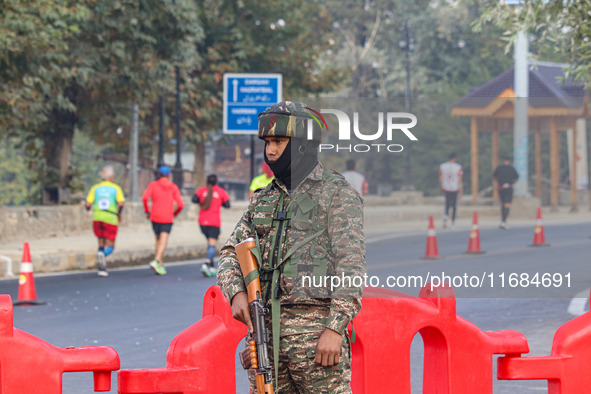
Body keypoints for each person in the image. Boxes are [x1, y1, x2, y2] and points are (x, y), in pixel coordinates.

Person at [217, 101, 366, 393]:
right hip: (265, 339)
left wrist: (335, 329)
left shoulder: (336, 194)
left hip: (317, 341)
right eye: (267, 142)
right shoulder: (263, 199)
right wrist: (235, 292)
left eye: (278, 141)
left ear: (302, 144)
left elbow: (352, 266)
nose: (270, 151)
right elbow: (230, 252)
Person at [142, 165, 185, 275]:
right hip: (167, 216)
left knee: (157, 239)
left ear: (158, 175)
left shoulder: (153, 185)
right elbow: (181, 204)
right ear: (169, 175)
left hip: (154, 216)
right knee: (163, 240)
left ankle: (160, 263)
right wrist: (175, 213)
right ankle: (156, 260)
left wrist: (147, 211)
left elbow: (145, 198)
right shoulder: (173, 187)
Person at [85, 166, 125, 277]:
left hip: (97, 218)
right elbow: (121, 203)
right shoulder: (116, 188)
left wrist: (88, 209)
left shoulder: (95, 188)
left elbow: (87, 204)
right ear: (111, 177)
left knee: (100, 241)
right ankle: (103, 255)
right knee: (110, 245)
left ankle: (101, 267)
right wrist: (119, 212)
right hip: (110, 218)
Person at [192, 174, 230, 277]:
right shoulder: (221, 192)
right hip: (214, 222)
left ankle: (212, 267)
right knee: (212, 245)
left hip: (202, 222)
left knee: (210, 244)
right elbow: (227, 205)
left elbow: (194, 199)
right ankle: (206, 263)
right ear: (216, 182)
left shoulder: (202, 191)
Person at [493, 156, 519, 229]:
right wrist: (512, 183)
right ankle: (504, 221)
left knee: (503, 204)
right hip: (509, 188)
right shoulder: (512, 169)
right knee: (507, 204)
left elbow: (494, 177)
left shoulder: (499, 168)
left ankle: (502, 221)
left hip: (501, 187)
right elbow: (517, 178)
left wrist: (499, 183)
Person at [439, 153, 463, 229]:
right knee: (454, 206)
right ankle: (453, 222)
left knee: (447, 204)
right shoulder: (458, 167)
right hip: (455, 187)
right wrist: (461, 191)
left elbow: (440, 177)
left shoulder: (443, 166)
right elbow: (459, 180)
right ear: (455, 158)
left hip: (446, 187)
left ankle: (446, 215)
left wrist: (441, 186)